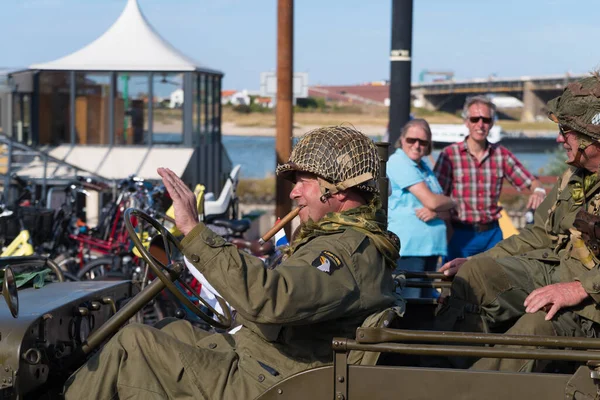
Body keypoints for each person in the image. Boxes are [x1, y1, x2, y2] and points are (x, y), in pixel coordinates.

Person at [63, 126, 401, 399]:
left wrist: (194, 232)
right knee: (171, 329)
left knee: (132, 343)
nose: (294, 193)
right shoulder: (347, 239)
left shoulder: (342, 251)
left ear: (338, 191)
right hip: (269, 358)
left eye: (303, 182)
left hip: (272, 380)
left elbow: (272, 299)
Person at [434, 74, 600, 372]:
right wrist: (479, 259)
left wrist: (580, 287)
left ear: (592, 136)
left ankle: (470, 389)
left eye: (567, 131)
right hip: (558, 269)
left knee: (536, 325)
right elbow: (539, 234)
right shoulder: (573, 179)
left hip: (593, 300)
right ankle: (440, 368)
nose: (560, 139)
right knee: (475, 274)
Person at [434, 95, 547, 261]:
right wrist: (448, 228)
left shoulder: (501, 155)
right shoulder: (449, 155)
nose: (480, 125)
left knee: (496, 283)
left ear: (492, 123)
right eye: (475, 119)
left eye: (485, 120)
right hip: (459, 233)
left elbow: (531, 181)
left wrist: (538, 191)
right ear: (466, 122)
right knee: (454, 283)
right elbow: (436, 194)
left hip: (492, 234)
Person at [388, 119, 455, 298]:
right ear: (402, 140)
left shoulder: (424, 167)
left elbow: (442, 210)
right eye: (411, 140)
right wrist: (454, 201)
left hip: (430, 248)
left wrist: (437, 210)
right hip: (409, 249)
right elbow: (433, 201)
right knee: (409, 303)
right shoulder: (398, 162)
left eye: (423, 142)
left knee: (426, 304)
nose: (417, 145)